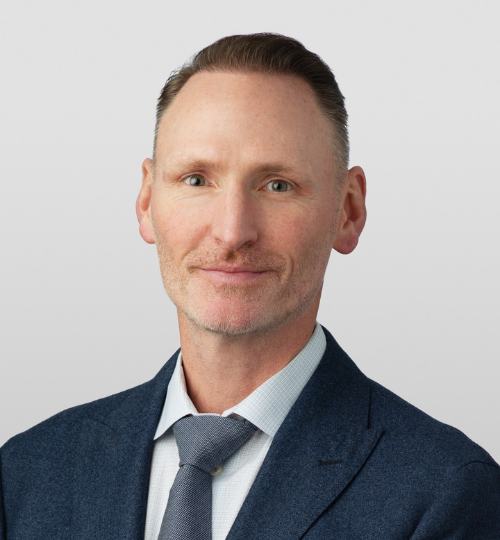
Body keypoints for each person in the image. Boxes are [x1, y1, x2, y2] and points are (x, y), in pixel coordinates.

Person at [1, 33, 499, 540]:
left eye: (277, 185)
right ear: (148, 201)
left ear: (347, 211)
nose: (233, 231)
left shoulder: (446, 493)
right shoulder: (27, 474)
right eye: (197, 180)